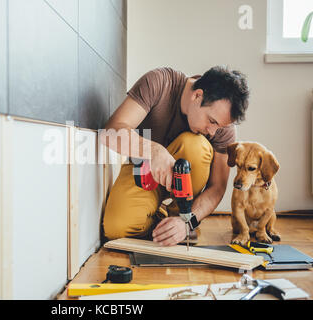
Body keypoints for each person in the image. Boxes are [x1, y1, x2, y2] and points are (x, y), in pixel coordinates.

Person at [99, 66, 249, 246]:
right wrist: (153, 151)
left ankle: (179, 220)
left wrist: (187, 222)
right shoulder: (159, 83)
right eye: (211, 121)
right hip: (144, 168)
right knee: (117, 227)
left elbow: (217, 188)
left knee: (195, 145)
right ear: (197, 95)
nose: (212, 132)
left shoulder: (222, 129)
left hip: (186, 190)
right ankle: (161, 220)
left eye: (219, 127)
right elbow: (110, 132)